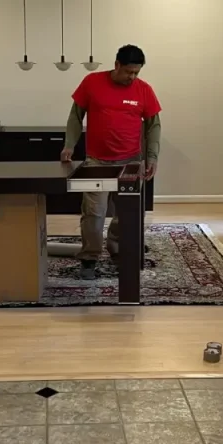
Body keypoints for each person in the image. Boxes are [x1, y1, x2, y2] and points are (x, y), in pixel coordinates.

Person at [60, 44, 162, 279]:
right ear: (116, 65)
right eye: (128, 72)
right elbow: (75, 116)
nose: (132, 77)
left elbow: (153, 126)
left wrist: (152, 157)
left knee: (127, 213)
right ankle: (89, 258)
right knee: (94, 213)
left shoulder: (144, 90)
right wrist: (69, 144)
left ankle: (118, 252)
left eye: (136, 72)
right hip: (97, 162)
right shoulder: (92, 83)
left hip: (131, 161)